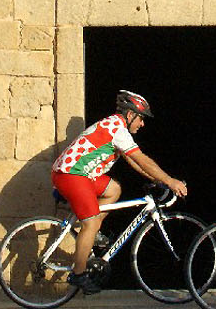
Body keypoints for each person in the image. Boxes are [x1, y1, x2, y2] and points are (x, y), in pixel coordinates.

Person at [50, 90, 189, 294]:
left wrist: (158, 180)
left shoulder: (115, 126)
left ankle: (92, 232)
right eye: (141, 118)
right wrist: (170, 180)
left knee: (113, 189)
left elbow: (133, 161)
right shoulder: (118, 130)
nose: (142, 124)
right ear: (130, 114)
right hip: (71, 175)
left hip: (81, 175)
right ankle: (78, 274)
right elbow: (142, 159)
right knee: (90, 223)